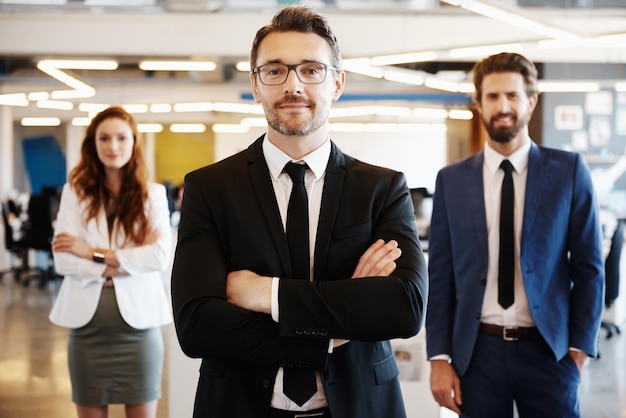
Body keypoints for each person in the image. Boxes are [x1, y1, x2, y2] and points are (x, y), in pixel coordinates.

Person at [170, 5, 428, 418]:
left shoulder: (382, 188)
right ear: (255, 85)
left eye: (311, 70)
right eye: (275, 70)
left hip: (360, 405)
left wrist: (263, 293)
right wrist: (339, 324)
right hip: (241, 406)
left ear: (338, 83)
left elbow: (405, 307)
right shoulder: (210, 188)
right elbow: (197, 326)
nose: (293, 85)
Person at [426, 52, 605, 418]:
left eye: (512, 95)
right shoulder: (452, 180)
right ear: (478, 104)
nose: (502, 106)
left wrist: (579, 351)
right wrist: (439, 357)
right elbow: (440, 276)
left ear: (531, 102)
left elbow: (590, 269)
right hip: (476, 354)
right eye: (492, 97)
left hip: (549, 351)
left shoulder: (568, 172)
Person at [49, 106, 173, 418]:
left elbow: (159, 256)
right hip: (86, 329)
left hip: (140, 328)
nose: (113, 146)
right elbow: (63, 260)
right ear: (93, 143)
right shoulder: (75, 193)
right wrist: (128, 261)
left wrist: (89, 251)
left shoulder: (152, 194)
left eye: (121, 138)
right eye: (104, 138)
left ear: (134, 142)